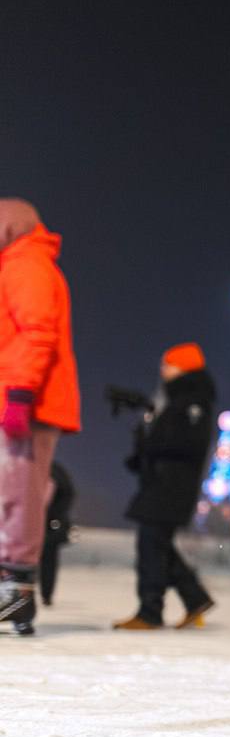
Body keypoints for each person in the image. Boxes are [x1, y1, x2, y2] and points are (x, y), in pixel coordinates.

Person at [0, 200, 80, 637]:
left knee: (19, 494)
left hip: (29, 402)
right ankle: (11, 588)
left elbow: (37, 332)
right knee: (10, 493)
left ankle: (17, 591)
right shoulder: (17, 263)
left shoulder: (26, 264)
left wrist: (19, 393)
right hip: (20, 398)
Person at [113, 343, 217, 630]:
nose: (163, 370)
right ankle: (194, 598)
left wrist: (151, 443)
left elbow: (186, 443)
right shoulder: (175, 398)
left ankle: (150, 611)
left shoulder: (193, 400)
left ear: (183, 368)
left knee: (151, 545)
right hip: (161, 482)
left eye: (168, 364)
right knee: (156, 544)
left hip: (172, 486)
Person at [39, 462, 75, 607]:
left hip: (49, 523)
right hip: (40, 521)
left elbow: (67, 494)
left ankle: (46, 595)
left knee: (48, 559)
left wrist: (54, 517)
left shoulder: (53, 470)